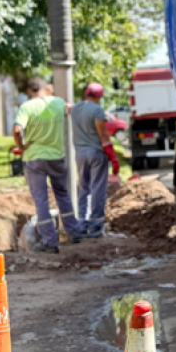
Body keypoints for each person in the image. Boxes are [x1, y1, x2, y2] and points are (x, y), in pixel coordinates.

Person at [12, 76, 82, 254]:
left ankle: (50, 242)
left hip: (35, 158)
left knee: (41, 200)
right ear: (46, 88)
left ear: (29, 91)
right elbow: (72, 108)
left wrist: (20, 146)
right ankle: (74, 232)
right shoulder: (57, 103)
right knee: (62, 195)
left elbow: (17, 129)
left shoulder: (27, 107)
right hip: (56, 157)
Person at [72, 83, 120, 238]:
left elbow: (67, 106)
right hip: (96, 154)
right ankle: (95, 227)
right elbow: (103, 136)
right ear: (99, 96)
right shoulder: (97, 110)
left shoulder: (75, 108)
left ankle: (81, 225)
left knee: (83, 189)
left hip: (80, 155)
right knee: (97, 190)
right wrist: (113, 157)